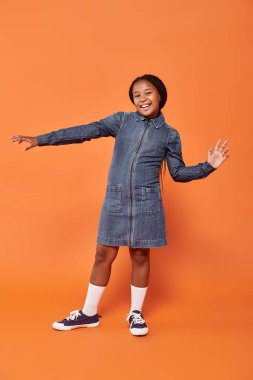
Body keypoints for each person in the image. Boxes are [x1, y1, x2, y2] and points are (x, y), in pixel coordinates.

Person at [10, 74, 229, 336]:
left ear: (160, 95)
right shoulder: (121, 121)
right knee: (103, 254)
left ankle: (135, 314)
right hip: (116, 200)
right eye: (136, 95)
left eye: (148, 93)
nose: (142, 99)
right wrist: (41, 139)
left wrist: (209, 167)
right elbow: (85, 131)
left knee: (139, 255)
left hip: (148, 203)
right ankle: (88, 314)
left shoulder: (170, 135)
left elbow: (178, 173)